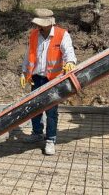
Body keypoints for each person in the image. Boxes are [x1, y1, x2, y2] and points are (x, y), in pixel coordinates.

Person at [20, 9, 77, 155]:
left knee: (51, 111)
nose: (38, 27)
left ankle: (50, 139)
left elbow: (68, 51)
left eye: (41, 24)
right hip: (36, 77)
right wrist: (24, 71)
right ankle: (37, 133)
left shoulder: (61, 34)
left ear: (49, 23)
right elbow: (29, 55)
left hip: (53, 78)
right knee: (34, 107)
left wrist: (70, 61)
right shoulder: (34, 35)